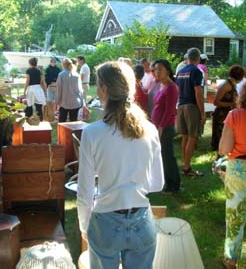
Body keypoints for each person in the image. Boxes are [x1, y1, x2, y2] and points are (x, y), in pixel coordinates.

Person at [77, 61, 164, 269]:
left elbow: (85, 191)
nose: (97, 91)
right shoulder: (150, 129)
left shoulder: (92, 133)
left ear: (105, 89)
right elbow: (158, 183)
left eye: (98, 85)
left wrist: (84, 226)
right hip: (142, 220)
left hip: (106, 221)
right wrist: (132, 184)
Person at [219, 83, 246, 269]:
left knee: (235, 217)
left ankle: (231, 259)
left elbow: (224, 149)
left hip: (238, 169)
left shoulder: (235, 115)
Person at [151, 59, 180, 193]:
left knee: (168, 155)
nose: (157, 72)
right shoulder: (161, 85)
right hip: (158, 126)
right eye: (155, 69)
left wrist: (161, 127)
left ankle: (174, 185)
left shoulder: (171, 87)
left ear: (167, 71)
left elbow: (170, 111)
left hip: (165, 127)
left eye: (160, 69)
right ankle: (167, 182)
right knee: (162, 155)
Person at [176, 47, 205, 177]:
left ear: (188, 58)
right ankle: (187, 167)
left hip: (181, 106)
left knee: (185, 136)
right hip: (192, 106)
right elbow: (198, 93)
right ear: (198, 58)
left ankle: (185, 164)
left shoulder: (180, 71)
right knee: (192, 137)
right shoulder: (197, 71)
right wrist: (203, 113)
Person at [211, 65, 244, 154]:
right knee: (221, 139)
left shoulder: (232, 84)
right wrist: (231, 104)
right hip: (221, 116)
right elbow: (216, 102)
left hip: (227, 116)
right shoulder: (226, 85)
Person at [56, 58, 84, 122]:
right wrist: (82, 101)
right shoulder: (77, 75)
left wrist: (57, 102)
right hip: (75, 102)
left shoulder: (61, 75)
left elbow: (59, 90)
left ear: (63, 65)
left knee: (62, 122)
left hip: (64, 102)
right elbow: (80, 90)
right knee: (73, 122)